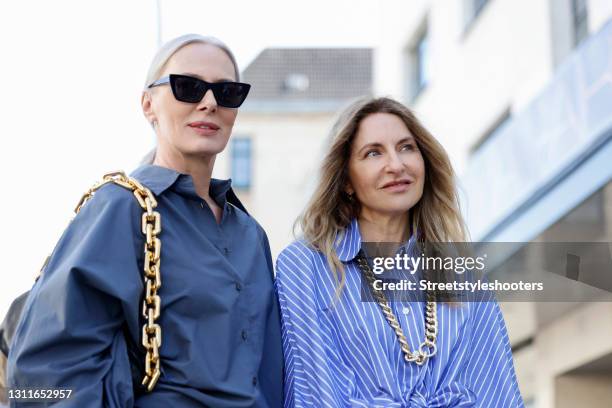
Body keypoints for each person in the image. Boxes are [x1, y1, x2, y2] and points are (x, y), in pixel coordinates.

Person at [8, 34, 283, 407]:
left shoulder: (250, 235)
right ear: (148, 105)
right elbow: (45, 371)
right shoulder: (120, 208)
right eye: (188, 87)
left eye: (227, 92)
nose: (209, 103)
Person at [275, 97, 524, 407]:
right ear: (347, 180)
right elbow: (314, 395)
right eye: (373, 153)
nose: (396, 165)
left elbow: (498, 394)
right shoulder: (305, 267)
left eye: (407, 147)